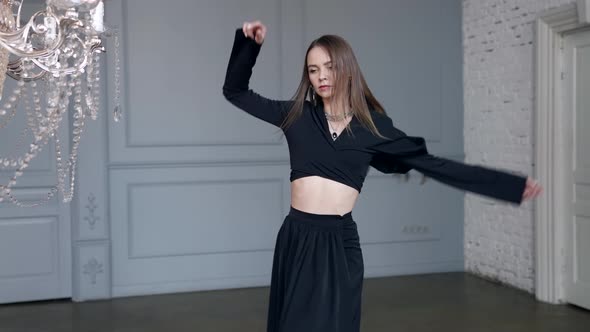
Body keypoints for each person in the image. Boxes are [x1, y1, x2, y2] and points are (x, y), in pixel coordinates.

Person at [222, 20, 542, 332]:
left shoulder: (372, 129)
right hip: (298, 237)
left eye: (329, 67)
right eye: (313, 69)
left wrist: (510, 186)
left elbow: (435, 165)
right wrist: (250, 45)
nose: (321, 76)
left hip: (339, 242)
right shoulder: (296, 116)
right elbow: (235, 92)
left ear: (346, 69)